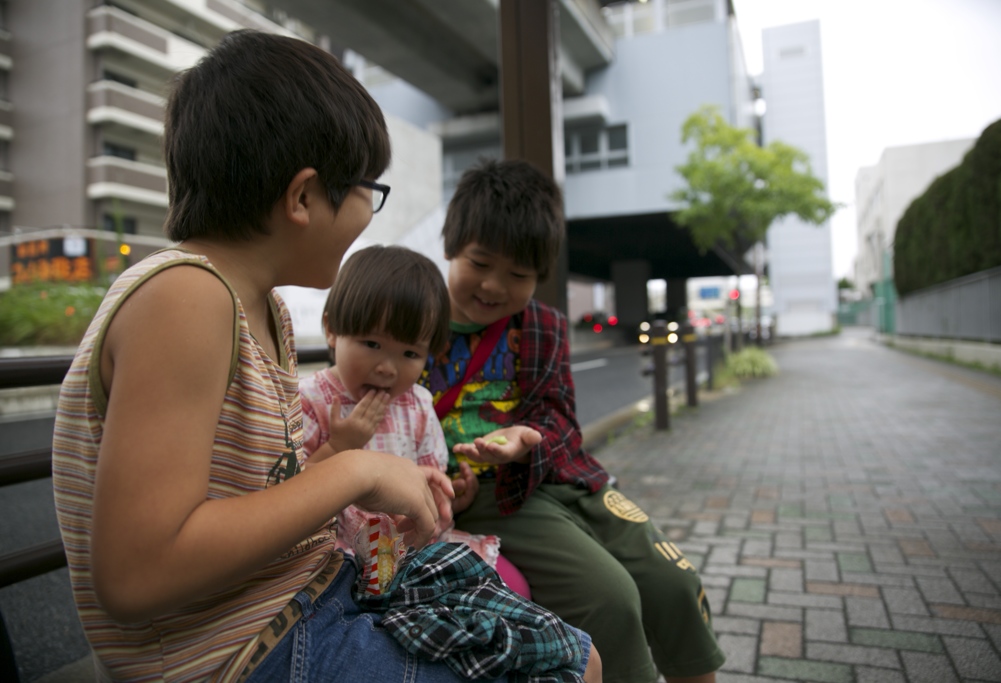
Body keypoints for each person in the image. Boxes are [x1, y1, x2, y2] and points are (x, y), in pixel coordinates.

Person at [51, 31, 597, 683]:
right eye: (368, 187)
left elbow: (261, 493)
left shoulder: (261, 310)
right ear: (304, 196)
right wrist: (358, 471)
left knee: (570, 650)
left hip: (309, 600)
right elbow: (138, 572)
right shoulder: (187, 297)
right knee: (566, 665)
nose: (370, 209)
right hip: (246, 651)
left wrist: (347, 463)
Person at [420, 159, 726, 683]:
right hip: (489, 495)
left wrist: (525, 438)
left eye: (518, 275)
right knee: (611, 598)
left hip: (562, 474)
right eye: (480, 262)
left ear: (540, 275)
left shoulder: (544, 324)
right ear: (451, 245)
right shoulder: (414, 315)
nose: (494, 286)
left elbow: (560, 414)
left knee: (674, 582)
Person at [298, 244, 505, 574]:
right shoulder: (311, 400)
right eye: (372, 344)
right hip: (338, 556)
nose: (387, 368)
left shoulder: (417, 404)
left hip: (410, 546)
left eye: (410, 354)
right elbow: (289, 494)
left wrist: (446, 495)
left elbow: (428, 477)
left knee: (504, 583)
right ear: (332, 330)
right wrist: (338, 446)